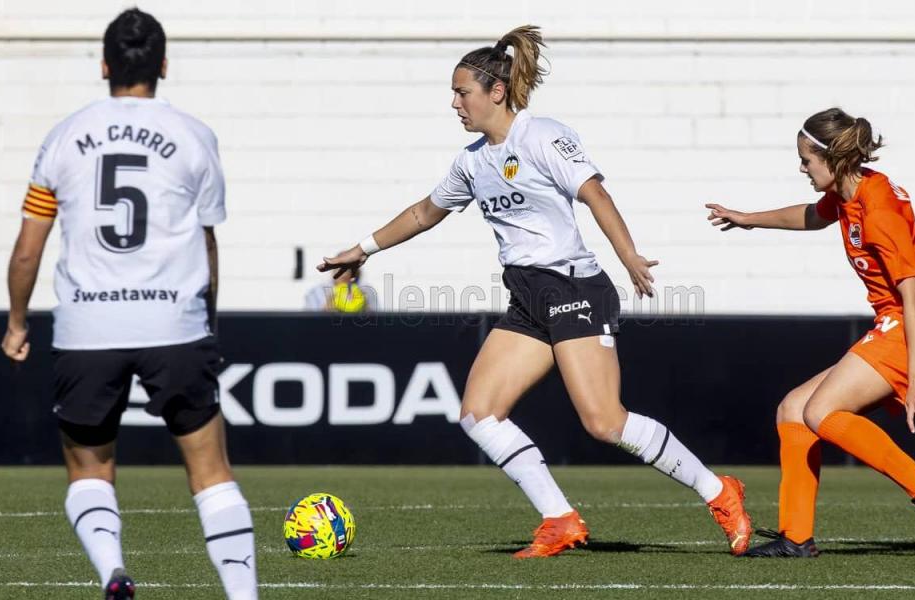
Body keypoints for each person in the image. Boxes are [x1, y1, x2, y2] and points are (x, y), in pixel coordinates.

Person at [319, 25, 752, 558]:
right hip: (528, 297)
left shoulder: (542, 135)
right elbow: (424, 213)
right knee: (479, 414)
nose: (454, 103)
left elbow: (595, 194)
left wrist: (629, 256)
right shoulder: (472, 160)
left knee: (604, 422)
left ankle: (720, 492)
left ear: (495, 91)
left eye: (462, 92)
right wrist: (363, 248)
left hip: (573, 287)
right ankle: (559, 519)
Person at [0, 9, 258, 598]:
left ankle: (112, 569)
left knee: (90, 468)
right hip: (174, 323)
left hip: (88, 326)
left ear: (104, 65)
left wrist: (17, 321)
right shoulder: (196, 135)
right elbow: (207, 241)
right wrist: (207, 326)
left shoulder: (63, 136)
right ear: (163, 65)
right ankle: (244, 595)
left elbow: (26, 249)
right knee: (210, 471)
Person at [707, 107, 915, 558]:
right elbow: (810, 216)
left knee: (821, 411)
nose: (802, 168)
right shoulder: (849, 193)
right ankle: (796, 538)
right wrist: (748, 219)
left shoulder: (878, 206)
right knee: (793, 409)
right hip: (895, 327)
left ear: (830, 158)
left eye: (806, 159)